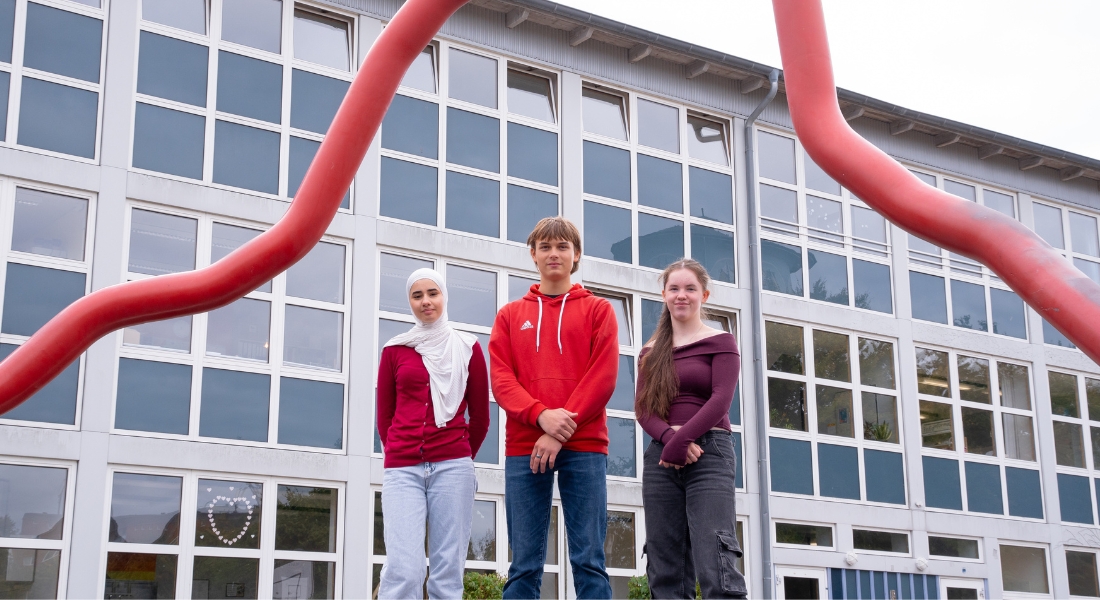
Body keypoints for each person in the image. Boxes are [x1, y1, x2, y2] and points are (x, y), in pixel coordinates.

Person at [489, 217, 619, 599]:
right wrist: (541, 417)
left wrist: (557, 432)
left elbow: (603, 378)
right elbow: (502, 380)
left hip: (586, 446)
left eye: (562, 246)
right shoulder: (510, 315)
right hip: (524, 447)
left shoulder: (598, 311)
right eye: (545, 247)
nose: (554, 253)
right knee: (523, 564)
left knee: (589, 560)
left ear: (576, 255)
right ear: (533, 255)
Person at [376, 268, 490, 599]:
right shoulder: (395, 350)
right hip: (402, 470)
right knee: (404, 570)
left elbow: (480, 417)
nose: (426, 301)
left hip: (453, 466)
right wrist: (399, 449)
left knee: (447, 574)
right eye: (417, 295)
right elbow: (385, 415)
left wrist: (460, 455)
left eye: (432, 293)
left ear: (444, 296)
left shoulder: (468, 347)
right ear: (410, 302)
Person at [635, 259, 747, 599]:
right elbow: (644, 409)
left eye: (690, 289)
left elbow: (720, 401)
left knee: (715, 557)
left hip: (710, 451)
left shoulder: (721, 341)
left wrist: (681, 440)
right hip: (662, 457)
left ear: (704, 295)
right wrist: (670, 441)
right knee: (664, 560)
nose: (681, 295)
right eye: (674, 289)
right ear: (664, 295)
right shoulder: (650, 352)